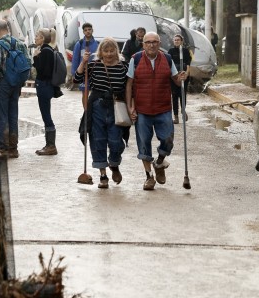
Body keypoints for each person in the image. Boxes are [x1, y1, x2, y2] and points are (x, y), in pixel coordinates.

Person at [126, 32, 187, 190]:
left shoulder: (166, 58)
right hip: (142, 109)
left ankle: (159, 163)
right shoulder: (136, 59)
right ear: (143, 44)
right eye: (148, 42)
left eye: (154, 42)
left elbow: (175, 79)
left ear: (159, 43)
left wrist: (181, 78)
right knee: (144, 145)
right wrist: (130, 107)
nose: (151, 45)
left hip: (163, 107)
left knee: (168, 140)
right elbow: (129, 84)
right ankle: (149, 177)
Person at [74, 36, 129, 188]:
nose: (109, 54)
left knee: (116, 141)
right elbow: (77, 78)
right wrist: (83, 62)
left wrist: (132, 106)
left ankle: (114, 164)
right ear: (101, 52)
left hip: (116, 106)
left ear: (116, 51)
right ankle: (103, 175)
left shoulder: (123, 66)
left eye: (112, 51)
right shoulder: (94, 65)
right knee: (98, 141)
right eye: (106, 51)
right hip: (97, 107)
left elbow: (131, 86)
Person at [0, 19, 31, 158]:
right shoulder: (20, 44)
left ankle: (4, 148)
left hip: (2, 84)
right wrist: (20, 82)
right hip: (15, 85)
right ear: (8, 29)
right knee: (13, 115)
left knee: (1, 116)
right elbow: (28, 64)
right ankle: (13, 148)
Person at [32, 28, 59, 156]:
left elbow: (43, 72)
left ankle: (51, 145)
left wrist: (35, 57)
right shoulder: (46, 50)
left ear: (43, 38)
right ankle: (49, 144)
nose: (35, 38)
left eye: (37, 36)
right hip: (44, 86)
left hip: (44, 86)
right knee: (45, 115)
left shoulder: (46, 51)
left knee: (46, 116)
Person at [168, 33, 192, 124]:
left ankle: (183, 110)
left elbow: (189, 64)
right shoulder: (170, 51)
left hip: (184, 75)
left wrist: (186, 74)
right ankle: (176, 116)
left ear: (181, 41)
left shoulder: (186, 51)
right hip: (174, 76)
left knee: (183, 94)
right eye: (175, 40)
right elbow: (169, 64)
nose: (176, 41)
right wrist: (174, 76)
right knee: (174, 96)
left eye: (178, 40)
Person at [70, 22, 99, 91]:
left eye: (89, 29)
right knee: (84, 92)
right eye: (85, 30)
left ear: (92, 30)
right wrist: (74, 73)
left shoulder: (97, 44)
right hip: (83, 72)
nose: (88, 31)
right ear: (83, 32)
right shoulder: (79, 44)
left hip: (94, 73)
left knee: (94, 92)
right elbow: (75, 59)